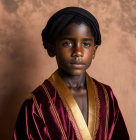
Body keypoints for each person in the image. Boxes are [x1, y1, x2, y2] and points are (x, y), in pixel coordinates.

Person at [13, 7, 129, 140]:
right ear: (52, 49)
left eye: (86, 44)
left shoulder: (107, 96)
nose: (78, 52)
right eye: (67, 43)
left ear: (94, 51)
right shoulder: (37, 104)